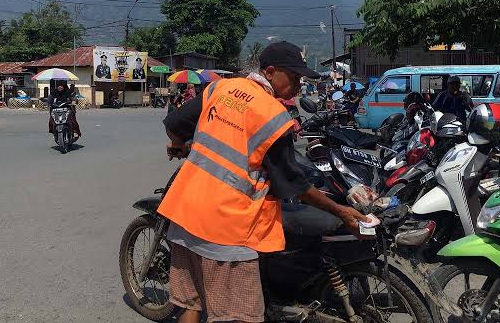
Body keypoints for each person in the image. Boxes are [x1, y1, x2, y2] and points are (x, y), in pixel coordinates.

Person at [158, 41, 371, 323]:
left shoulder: (220, 88)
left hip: (185, 214)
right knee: (239, 316)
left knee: (193, 305)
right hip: (226, 229)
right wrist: (341, 211)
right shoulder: (271, 116)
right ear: (270, 72)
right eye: (294, 78)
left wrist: (178, 146)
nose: (298, 85)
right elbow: (292, 184)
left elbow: (175, 124)